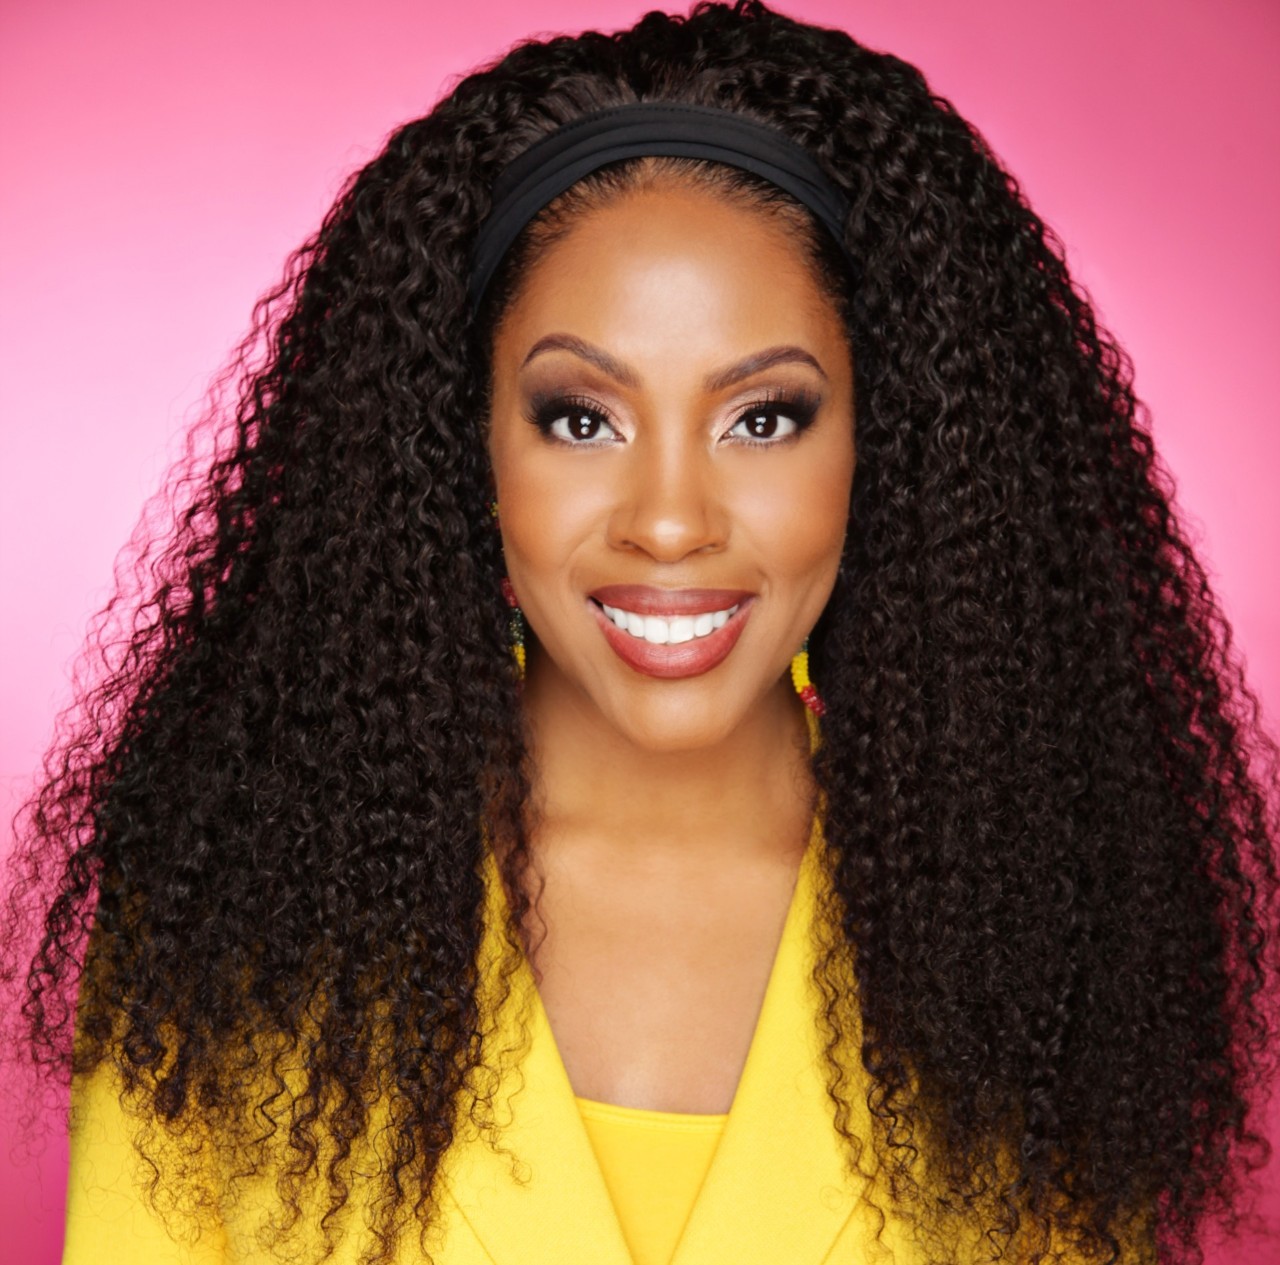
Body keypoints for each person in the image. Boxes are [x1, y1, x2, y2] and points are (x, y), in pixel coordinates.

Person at [3, 1, 1276, 1262]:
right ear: (460, 448)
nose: (668, 522)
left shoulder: (1033, 912)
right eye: (580, 417)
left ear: (888, 452)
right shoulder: (243, 902)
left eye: (763, 418)